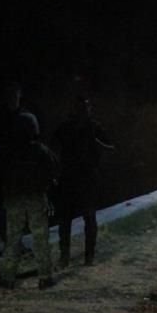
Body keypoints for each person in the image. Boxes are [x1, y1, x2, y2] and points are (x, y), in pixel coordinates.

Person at [0, 112, 59, 289]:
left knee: (13, 239)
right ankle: (45, 277)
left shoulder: (8, 151)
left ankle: (8, 278)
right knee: (40, 238)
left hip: (14, 199)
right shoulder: (39, 150)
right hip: (35, 198)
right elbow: (53, 172)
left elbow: (0, 176)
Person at [51, 96, 114, 267]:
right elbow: (53, 148)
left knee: (88, 217)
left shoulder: (94, 127)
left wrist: (97, 144)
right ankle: (65, 257)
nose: (82, 111)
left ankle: (89, 256)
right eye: (80, 108)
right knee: (65, 220)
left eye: (85, 108)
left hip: (87, 178)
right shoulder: (66, 127)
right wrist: (56, 172)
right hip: (69, 178)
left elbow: (110, 149)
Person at [0, 81, 30, 244]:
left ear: (19, 95)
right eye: (9, 94)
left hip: (21, 168)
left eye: (15, 94)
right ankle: (9, 241)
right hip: (2, 169)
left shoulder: (25, 116)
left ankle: (19, 240)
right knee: (4, 207)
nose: (12, 97)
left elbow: (33, 141)